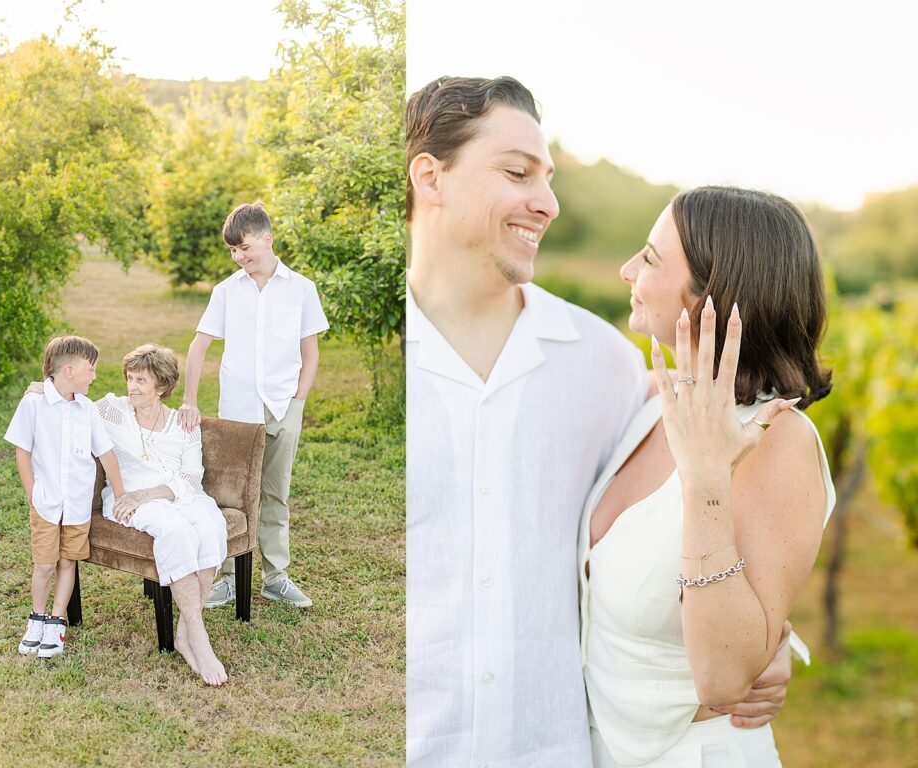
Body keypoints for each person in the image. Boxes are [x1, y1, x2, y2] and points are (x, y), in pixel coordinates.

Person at [405, 75, 794, 767]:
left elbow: (699, 509)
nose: (548, 202)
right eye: (517, 172)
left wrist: (766, 639)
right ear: (430, 178)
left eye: (548, 177)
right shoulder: (370, 363)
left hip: (558, 750)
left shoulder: (608, 366)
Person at [578, 187, 835, 766]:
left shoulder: (781, 443)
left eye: (648, 259)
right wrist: (779, 638)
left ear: (709, 299)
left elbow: (723, 679)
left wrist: (705, 478)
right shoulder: (650, 398)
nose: (626, 271)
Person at [27, 344, 231, 686]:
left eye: (141, 381)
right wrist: (41, 387)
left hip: (177, 495)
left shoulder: (184, 422)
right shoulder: (111, 410)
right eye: (130, 378)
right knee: (176, 531)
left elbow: (192, 477)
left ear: (162, 387)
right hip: (130, 502)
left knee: (211, 525)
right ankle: (199, 637)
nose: (132, 386)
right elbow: (69, 395)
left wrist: (152, 492)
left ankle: (185, 632)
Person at [178, 202, 329, 609]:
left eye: (245, 248)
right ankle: (227, 578)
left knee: (275, 494)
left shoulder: (301, 289)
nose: (239, 257)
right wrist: (189, 399)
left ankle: (275, 577)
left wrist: (298, 401)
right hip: (238, 411)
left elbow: (310, 352)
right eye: (233, 251)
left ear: (267, 239)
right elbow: (198, 347)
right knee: (229, 497)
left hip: (283, 407)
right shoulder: (226, 292)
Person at [6, 335, 125, 659]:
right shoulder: (33, 404)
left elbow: (106, 454)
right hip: (46, 502)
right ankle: (37, 618)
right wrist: (32, 493)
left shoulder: (87, 409)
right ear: (69, 370)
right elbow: (22, 451)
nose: (95, 376)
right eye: (91, 369)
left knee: (67, 560)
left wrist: (121, 493)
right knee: (44, 564)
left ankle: (57, 620)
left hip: (76, 504)